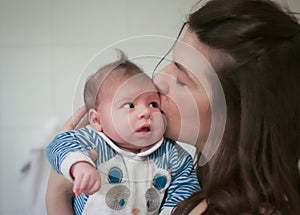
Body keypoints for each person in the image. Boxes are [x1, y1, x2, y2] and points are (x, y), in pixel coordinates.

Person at [46, 0, 300, 214]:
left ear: (240, 115)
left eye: (181, 79)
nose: (157, 80)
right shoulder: (197, 179)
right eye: (171, 62)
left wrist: (57, 192)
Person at [46, 51, 200, 215]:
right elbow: (58, 144)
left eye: (153, 104)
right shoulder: (94, 141)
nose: (146, 112)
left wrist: (171, 210)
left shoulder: (171, 154)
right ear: (98, 121)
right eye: (129, 106)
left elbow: (185, 188)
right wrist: (78, 165)